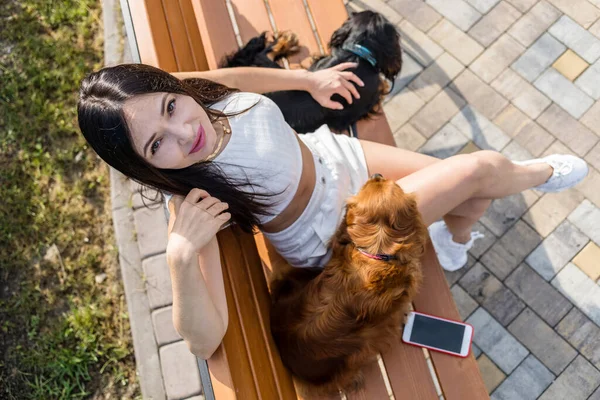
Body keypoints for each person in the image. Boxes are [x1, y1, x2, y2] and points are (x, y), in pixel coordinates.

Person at [78, 63, 589, 360]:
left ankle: (453, 248)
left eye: (171, 107)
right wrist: (180, 258)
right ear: (146, 166)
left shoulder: (187, 96)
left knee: (474, 194)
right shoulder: (192, 197)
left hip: (334, 156)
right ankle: (541, 174)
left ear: (169, 87)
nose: (182, 131)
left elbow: (227, 76)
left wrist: (308, 80)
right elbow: (202, 342)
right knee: (480, 171)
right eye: (157, 145)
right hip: (336, 229)